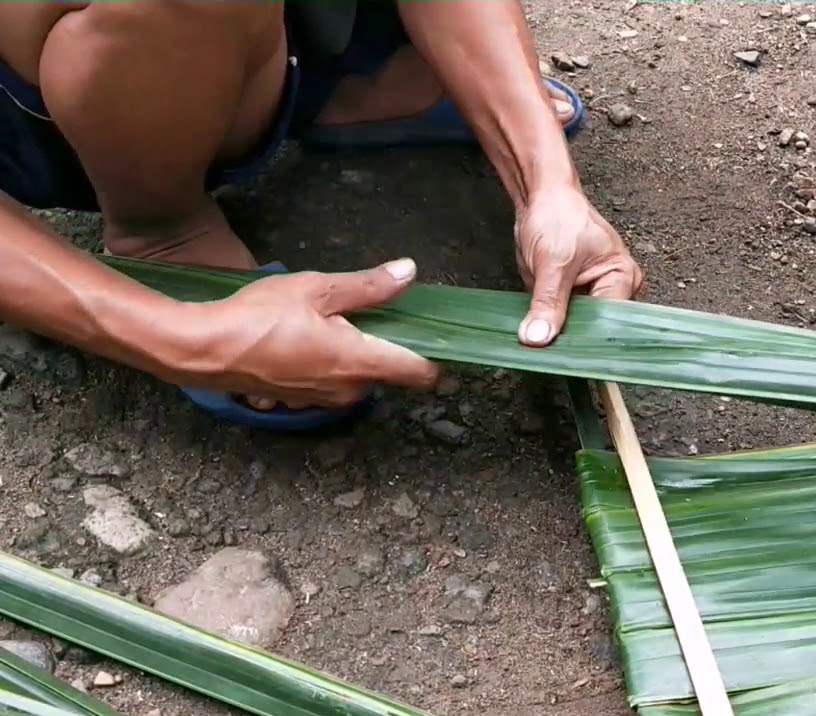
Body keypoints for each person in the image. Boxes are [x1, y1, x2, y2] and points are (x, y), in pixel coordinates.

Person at [0, 0, 643, 431]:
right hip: (65, 89)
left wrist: (547, 182)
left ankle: (350, 81)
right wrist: (184, 339)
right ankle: (162, 227)